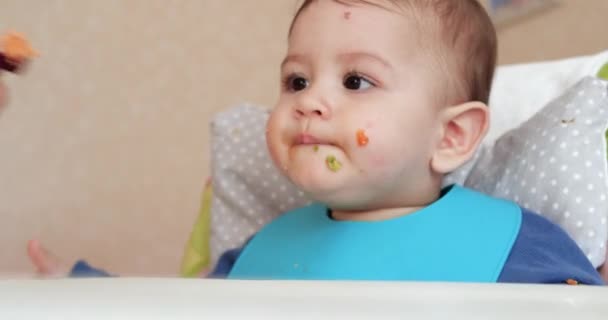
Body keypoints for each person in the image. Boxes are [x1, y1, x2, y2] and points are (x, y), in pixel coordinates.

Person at [29, 0, 604, 284]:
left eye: (356, 81)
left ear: (451, 135)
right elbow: (182, 316)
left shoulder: (516, 246)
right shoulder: (257, 252)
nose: (307, 101)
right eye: (296, 80)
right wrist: (82, 293)